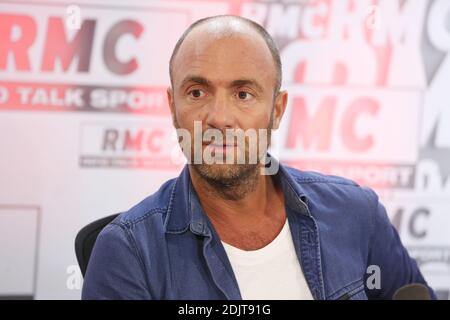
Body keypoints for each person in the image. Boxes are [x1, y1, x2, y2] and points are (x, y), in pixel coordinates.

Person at [82, 15, 435, 300]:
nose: (219, 117)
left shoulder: (357, 214)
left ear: (277, 110)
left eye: (243, 93)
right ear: (173, 109)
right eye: (197, 91)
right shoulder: (128, 251)